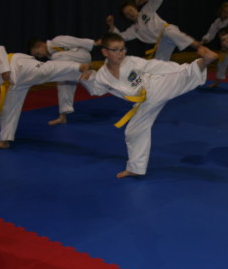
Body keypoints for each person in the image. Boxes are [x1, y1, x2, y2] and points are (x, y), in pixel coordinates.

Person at [80, 32, 218, 178]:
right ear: (105, 52)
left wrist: (180, 68)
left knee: (181, 77)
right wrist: (86, 80)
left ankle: (204, 61)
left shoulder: (131, 62)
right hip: (143, 103)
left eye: (122, 49)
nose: (120, 53)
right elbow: (97, 90)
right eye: (115, 50)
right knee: (133, 131)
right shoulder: (102, 75)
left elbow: (155, 65)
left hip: (154, 87)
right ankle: (135, 168)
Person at [0, 46, 90, 150]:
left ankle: (78, 67)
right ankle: (4, 140)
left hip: (18, 65)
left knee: (45, 70)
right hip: (15, 80)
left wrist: (4, 69)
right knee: (8, 108)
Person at [26, 34, 99, 125]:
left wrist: (95, 43)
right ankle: (63, 116)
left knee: (56, 61)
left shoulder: (56, 42)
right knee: (62, 80)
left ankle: (85, 68)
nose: (39, 57)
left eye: (37, 53)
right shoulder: (52, 55)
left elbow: (75, 41)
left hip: (82, 55)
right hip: (74, 63)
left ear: (40, 45)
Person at [105, 0, 200, 61]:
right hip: (161, 42)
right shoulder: (134, 30)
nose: (130, 13)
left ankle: (198, 46)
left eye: (130, 10)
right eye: (127, 14)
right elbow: (121, 37)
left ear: (135, 8)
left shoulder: (146, 10)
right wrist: (111, 25)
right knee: (159, 64)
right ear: (126, 18)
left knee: (170, 33)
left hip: (167, 30)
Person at [199, 1, 228, 92]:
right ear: (221, 11)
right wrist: (206, 39)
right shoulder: (217, 22)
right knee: (221, 63)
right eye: (225, 12)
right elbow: (211, 33)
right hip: (225, 46)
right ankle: (217, 82)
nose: (226, 15)